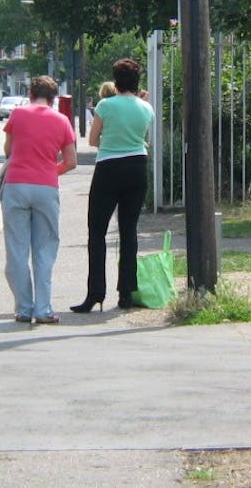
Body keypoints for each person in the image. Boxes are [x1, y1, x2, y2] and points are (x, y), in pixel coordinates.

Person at [71, 58, 155, 312]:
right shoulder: (146, 107)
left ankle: (96, 292)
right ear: (137, 81)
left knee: (97, 232)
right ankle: (126, 292)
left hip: (109, 168)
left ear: (115, 80)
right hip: (138, 166)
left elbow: (94, 139)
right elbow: (141, 134)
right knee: (129, 231)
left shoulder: (105, 105)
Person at [2, 75, 77, 324]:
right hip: (45, 187)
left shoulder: (17, 114)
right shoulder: (62, 120)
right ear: (54, 97)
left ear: (31, 93)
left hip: (16, 185)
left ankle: (23, 308)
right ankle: (42, 309)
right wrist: (47, 170)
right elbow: (71, 162)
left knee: (17, 249)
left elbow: (8, 150)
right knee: (44, 249)